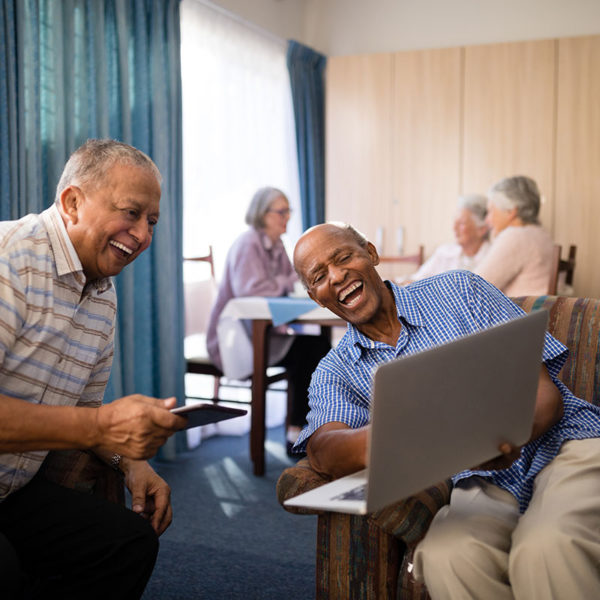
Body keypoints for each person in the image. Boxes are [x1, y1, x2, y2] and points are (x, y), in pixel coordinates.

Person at [292, 222, 600, 598]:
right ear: (314, 295)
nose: (337, 276)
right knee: (445, 557)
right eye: (320, 276)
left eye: (343, 258)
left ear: (370, 253)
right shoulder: (335, 370)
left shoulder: (459, 290)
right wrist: (391, 436)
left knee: (547, 549)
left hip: (566, 445)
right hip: (479, 478)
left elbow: (544, 395)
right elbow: (322, 448)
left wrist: (500, 439)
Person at [0, 139, 188, 599]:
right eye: (131, 213)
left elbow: (83, 408)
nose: (143, 235)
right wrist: (104, 425)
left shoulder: (101, 292)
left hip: (11, 489)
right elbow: (92, 421)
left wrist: (132, 462)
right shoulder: (9, 258)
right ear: (72, 203)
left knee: (128, 542)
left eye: (152, 222)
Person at [206, 187, 329, 454]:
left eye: (288, 211)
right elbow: (251, 292)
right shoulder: (248, 243)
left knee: (318, 345)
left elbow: (294, 282)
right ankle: (297, 431)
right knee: (310, 351)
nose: (287, 217)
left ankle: (306, 427)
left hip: (266, 335)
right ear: (263, 213)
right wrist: (288, 282)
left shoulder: (278, 245)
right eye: (281, 211)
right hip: (236, 339)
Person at [474, 175, 555, 296]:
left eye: (491, 211)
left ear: (511, 211)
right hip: (544, 310)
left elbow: (474, 287)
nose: (487, 220)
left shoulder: (516, 237)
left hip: (524, 312)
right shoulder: (542, 235)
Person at [403, 193, 490, 282]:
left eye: (461, 223)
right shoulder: (444, 252)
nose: (454, 228)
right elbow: (416, 280)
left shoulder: (491, 257)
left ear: (482, 229)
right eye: (455, 222)